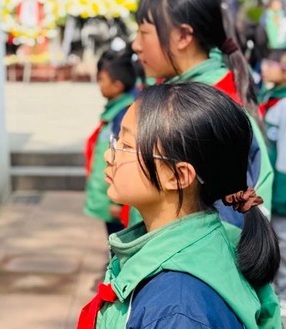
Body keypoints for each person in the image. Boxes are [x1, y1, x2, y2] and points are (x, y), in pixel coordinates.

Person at [78, 82, 281, 329]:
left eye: (126, 147)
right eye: (116, 141)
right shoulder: (215, 242)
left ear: (177, 176)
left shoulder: (177, 309)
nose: (109, 156)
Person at [131, 0, 273, 227]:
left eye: (144, 33)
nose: (136, 45)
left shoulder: (209, 109)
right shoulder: (192, 95)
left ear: (183, 36)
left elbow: (233, 223)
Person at [84, 49, 140, 236]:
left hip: (115, 200)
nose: (99, 84)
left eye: (102, 79)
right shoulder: (115, 111)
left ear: (117, 85)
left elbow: (123, 158)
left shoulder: (123, 115)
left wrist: (118, 202)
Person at [260, 53, 286, 308]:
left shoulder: (282, 104)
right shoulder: (269, 97)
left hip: (281, 188)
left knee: (282, 241)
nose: (265, 68)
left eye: (272, 64)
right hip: (273, 185)